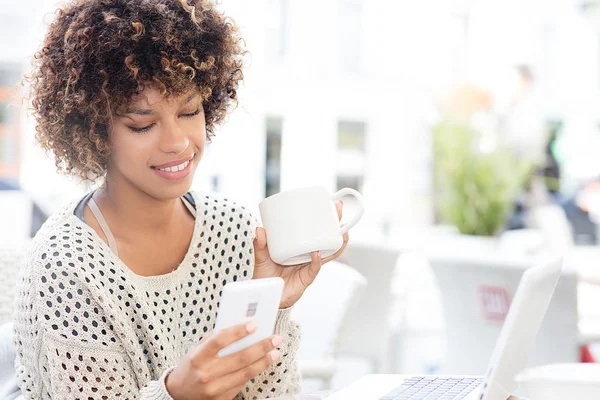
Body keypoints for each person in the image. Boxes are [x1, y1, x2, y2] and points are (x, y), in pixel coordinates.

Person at [13, 1, 349, 399]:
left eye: (189, 111)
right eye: (142, 125)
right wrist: (176, 394)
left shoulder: (237, 232)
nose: (177, 143)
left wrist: (271, 308)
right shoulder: (66, 266)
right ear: (95, 131)